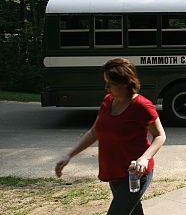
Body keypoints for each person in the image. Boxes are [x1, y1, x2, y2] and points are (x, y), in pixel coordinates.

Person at [55, 58, 166, 215]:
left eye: (111, 83)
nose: (106, 87)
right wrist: (69, 155)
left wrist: (145, 158)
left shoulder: (142, 106)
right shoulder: (108, 101)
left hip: (135, 174)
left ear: (126, 82)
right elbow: (95, 132)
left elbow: (160, 135)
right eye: (106, 82)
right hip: (113, 172)